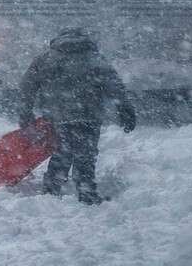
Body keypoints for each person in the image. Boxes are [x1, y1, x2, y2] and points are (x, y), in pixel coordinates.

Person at [18, 28, 137, 205]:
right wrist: (125, 110)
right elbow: (115, 87)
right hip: (89, 116)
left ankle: (52, 190)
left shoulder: (45, 59)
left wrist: (25, 114)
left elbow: (27, 87)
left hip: (57, 115)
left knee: (62, 151)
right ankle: (86, 192)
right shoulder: (95, 59)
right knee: (86, 154)